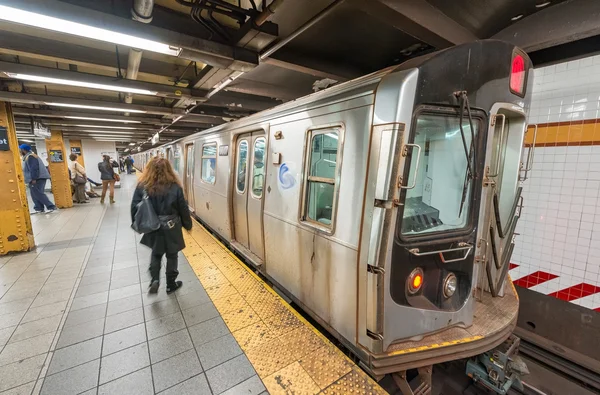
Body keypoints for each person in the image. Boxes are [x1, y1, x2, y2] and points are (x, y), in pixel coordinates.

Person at [131, 158, 192, 294]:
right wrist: (187, 224)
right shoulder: (175, 187)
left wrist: (138, 224)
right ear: (168, 169)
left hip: (153, 227)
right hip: (171, 227)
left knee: (156, 254)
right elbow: (183, 208)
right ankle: (171, 284)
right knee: (172, 255)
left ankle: (155, 280)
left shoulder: (143, 186)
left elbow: (134, 206)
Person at [19, 144, 57, 214]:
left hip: (37, 178)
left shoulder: (30, 157)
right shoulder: (28, 156)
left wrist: (34, 178)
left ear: (23, 150)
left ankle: (51, 207)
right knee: (34, 194)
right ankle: (39, 208)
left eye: (20, 150)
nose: (19, 151)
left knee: (38, 193)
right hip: (37, 178)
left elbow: (34, 168)